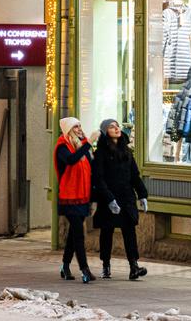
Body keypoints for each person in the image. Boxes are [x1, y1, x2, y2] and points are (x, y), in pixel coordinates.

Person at [92, 118, 149, 281]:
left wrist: (142, 194)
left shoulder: (126, 151)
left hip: (126, 197)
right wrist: (109, 199)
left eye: (117, 126)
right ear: (105, 132)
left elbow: (135, 175)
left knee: (129, 231)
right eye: (111, 127)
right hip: (109, 198)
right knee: (107, 232)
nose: (116, 128)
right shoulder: (101, 153)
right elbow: (99, 179)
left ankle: (134, 266)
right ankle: (106, 265)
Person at [54, 116, 98, 283]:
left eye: (80, 126)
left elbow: (90, 170)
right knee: (79, 233)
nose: (80, 129)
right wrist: (89, 143)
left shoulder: (81, 145)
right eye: (76, 127)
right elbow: (71, 160)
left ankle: (65, 266)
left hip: (82, 196)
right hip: (69, 197)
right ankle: (84, 269)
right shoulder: (62, 147)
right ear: (68, 130)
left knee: (74, 233)